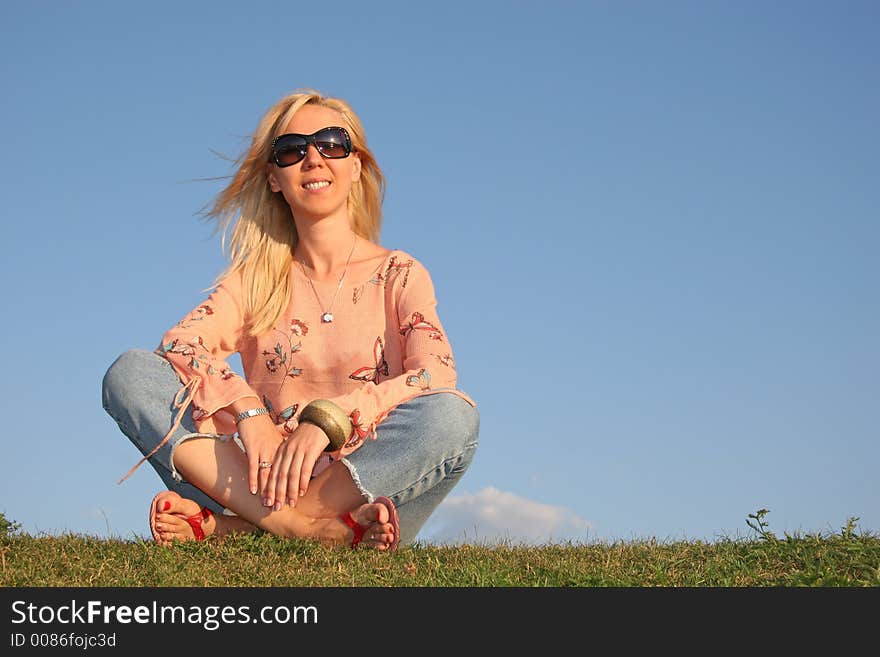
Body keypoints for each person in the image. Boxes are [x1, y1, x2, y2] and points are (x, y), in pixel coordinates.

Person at [102, 89, 479, 551]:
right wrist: (249, 412)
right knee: (130, 373)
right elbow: (181, 345)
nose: (313, 159)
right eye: (292, 150)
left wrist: (330, 419)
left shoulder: (399, 274)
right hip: (261, 477)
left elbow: (434, 374)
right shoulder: (254, 280)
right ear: (275, 179)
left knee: (451, 416)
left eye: (332, 144)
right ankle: (309, 531)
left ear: (356, 166)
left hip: (362, 480)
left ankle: (241, 530)